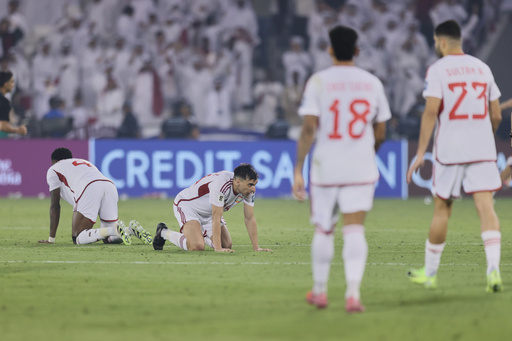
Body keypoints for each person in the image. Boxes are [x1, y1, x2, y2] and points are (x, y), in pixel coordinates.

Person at [292, 25, 391, 313]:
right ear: (357, 51)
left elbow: (309, 128)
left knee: (324, 229)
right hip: (360, 167)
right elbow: (382, 131)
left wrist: (299, 168)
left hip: (326, 167)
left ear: (330, 50)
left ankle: (320, 292)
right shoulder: (372, 82)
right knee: (354, 229)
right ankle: (353, 295)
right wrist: (366, 153)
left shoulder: (318, 81)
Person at [406, 20, 503, 293]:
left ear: (443, 42)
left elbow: (430, 111)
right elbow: (496, 114)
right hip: (482, 148)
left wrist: (420, 153)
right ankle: (493, 268)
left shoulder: (438, 70)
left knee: (442, 208)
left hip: (450, 149)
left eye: (437, 43)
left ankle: (431, 273)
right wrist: (485, 134)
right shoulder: (483, 68)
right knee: (486, 207)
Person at [38, 147, 153, 246]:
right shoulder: (83, 161)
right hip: (109, 185)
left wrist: (51, 239)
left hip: (89, 188)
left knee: (78, 237)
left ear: (55, 161)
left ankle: (114, 229)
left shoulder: (53, 169)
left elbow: (55, 204)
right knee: (109, 238)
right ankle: (130, 230)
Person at [152, 163, 272, 254]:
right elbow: (216, 217)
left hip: (210, 212)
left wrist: (257, 247)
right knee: (196, 246)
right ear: (238, 182)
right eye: (250, 185)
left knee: (227, 244)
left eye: (254, 185)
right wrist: (218, 248)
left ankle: (201, 235)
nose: (253, 189)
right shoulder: (221, 184)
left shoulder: (247, 190)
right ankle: (163, 232)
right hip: (188, 206)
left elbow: (249, 218)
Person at [0, 70, 26, 135]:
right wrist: (17, 130)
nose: (13, 85)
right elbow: (3, 126)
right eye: (11, 82)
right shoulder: (4, 101)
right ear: (5, 84)